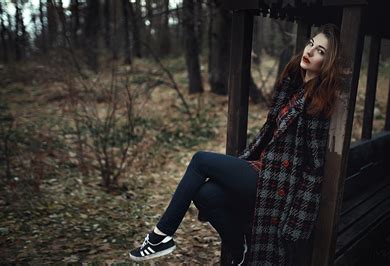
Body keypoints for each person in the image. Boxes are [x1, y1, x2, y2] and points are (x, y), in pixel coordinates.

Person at [129, 23, 341, 265]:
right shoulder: (294, 87)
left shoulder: (317, 103)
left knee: (200, 160)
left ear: (328, 62)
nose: (311, 51)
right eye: (311, 44)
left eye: (321, 51)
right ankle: (239, 247)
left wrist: (296, 224)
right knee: (204, 193)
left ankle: (159, 237)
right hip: (263, 170)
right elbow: (269, 134)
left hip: (277, 187)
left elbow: (314, 168)